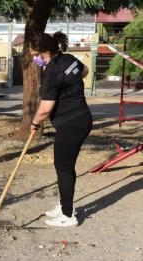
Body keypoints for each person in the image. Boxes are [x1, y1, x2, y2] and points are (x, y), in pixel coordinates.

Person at [30, 32, 93, 227]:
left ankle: (67, 216)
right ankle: (66, 204)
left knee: (63, 167)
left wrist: (34, 123)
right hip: (80, 119)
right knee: (66, 166)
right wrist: (69, 86)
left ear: (45, 52)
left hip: (71, 124)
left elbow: (45, 109)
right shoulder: (68, 59)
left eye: (36, 55)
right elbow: (85, 71)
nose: (35, 59)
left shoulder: (51, 74)